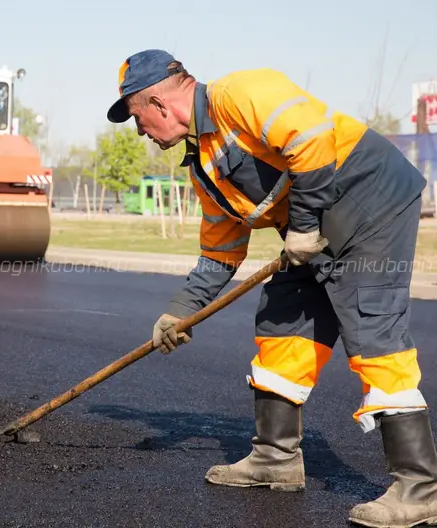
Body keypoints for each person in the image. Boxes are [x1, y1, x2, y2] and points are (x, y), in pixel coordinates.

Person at [106, 48, 437, 527]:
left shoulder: (239, 94)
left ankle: (420, 488)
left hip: (371, 203)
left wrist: (302, 225)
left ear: (157, 101)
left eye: (136, 117)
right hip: (312, 229)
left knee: (372, 330)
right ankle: (275, 459)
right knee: (283, 321)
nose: (139, 130)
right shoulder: (205, 164)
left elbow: (312, 140)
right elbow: (221, 250)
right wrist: (180, 311)